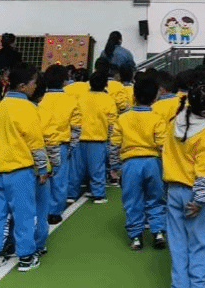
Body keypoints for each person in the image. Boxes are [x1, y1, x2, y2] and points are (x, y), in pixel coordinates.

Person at [162, 79, 205, 288]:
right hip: (194, 194)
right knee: (200, 243)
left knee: (177, 244)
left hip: (173, 190)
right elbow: (203, 171)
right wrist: (200, 200)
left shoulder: (174, 124)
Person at [0, 64, 48, 272]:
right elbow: (35, 142)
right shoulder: (28, 108)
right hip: (20, 170)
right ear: (22, 86)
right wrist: (42, 169)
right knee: (24, 215)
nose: (35, 86)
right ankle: (26, 256)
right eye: (33, 83)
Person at [112, 73, 167, 250]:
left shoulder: (123, 118)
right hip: (153, 163)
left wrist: (114, 166)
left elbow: (114, 144)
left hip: (130, 164)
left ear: (134, 97)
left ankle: (136, 237)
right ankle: (158, 232)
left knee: (132, 200)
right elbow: (162, 145)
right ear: (155, 98)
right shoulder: (157, 118)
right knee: (156, 198)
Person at [38, 65, 79, 224]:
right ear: (64, 81)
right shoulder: (70, 100)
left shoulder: (40, 99)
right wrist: (72, 145)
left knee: (41, 175)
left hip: (41, 144)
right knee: (60, 179)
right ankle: (54, 212)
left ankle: (40, 208)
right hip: (62, 144)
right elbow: (76, 125)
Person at [71, 70, 117, 204]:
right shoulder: (108, 99)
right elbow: (112, 121)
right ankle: (98, 194)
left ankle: (71, 194)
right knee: (97, 169)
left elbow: (75, 116)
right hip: (98, 140)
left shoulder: (81, 97)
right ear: (106, 84)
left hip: (79, 139)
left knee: (76, 170)